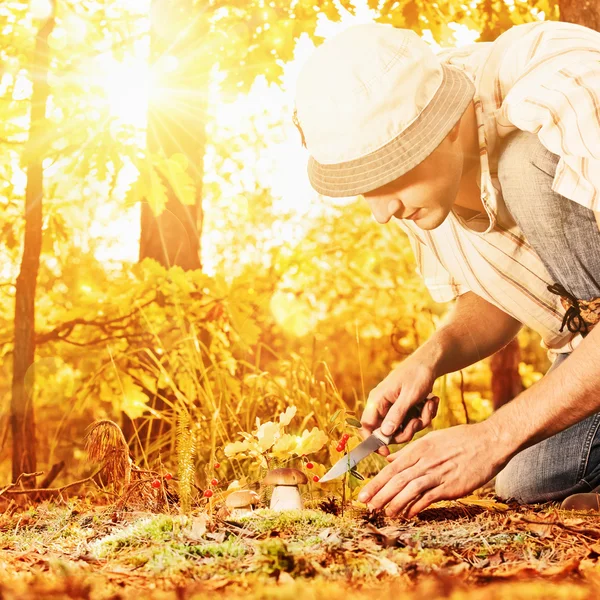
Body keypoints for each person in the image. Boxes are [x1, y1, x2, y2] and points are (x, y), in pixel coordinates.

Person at [293, 19, 600, 516]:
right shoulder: (422, 188)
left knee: (525, 167)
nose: (381, 212)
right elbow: (502, 288)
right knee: (523, 480)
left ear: (450, 124)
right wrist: (431, 357)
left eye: (387, 176)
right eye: (365, 188)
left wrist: (494, 433)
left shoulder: (562, 89)